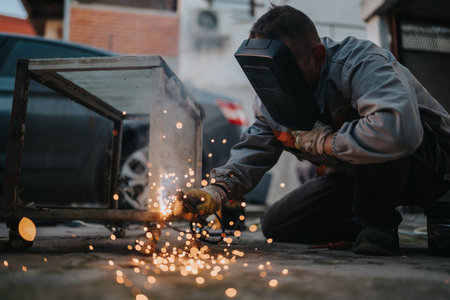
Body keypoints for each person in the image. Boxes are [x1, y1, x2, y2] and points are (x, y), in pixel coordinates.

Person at [176, 5, 450, 255]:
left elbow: (398, 131)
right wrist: (219, 189)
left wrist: (327, 144)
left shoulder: (360, 63)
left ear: (317, 56)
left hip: (429, 167)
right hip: (357, 175)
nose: (277, 82)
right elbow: (253, 149)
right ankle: (360, 223)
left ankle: (378, 226)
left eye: (286, 70)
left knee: (366, 119)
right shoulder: (274, 93)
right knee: (279, 225)